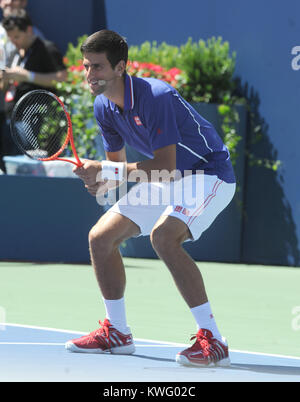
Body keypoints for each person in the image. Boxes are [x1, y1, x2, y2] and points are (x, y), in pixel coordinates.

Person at [65, 30, 236, 367]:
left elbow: (166, 167)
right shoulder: (103, 106)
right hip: (167, 178)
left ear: (120, 67)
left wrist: (109, 172)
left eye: (97, 67)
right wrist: (100, 180)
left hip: (207, 174)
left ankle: (214, 340)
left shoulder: (156, 96)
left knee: (164, 237)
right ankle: (117, 332)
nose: (89, 76)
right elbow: (117, 169)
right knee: (100, 238)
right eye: (86, 67)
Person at [0, 9, 67, 161]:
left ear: (29, 30)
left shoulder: (46, 48)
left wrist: (26, 75)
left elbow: (62, 78)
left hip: (34, 120)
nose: (13, 42)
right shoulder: (17, 53)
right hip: (12, 119)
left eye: (17, 36)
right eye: (10, 38)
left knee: (30, 167)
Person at [0, 0, 45, 171]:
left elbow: (57, 76)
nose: (7, 3)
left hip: (20, 114)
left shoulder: (36, 38)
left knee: (19, 166)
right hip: (8, 113)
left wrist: (24, 76)